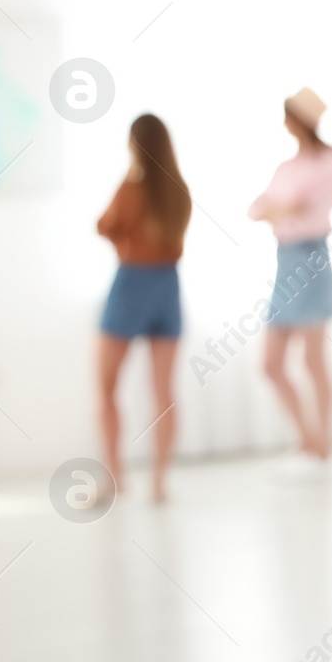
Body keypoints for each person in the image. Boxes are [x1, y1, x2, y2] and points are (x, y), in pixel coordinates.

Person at [247, 87, 332, 474]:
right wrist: (283, 207)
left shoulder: (329, 161)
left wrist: (280, 207)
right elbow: (256, 209)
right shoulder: (286, 168)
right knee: (271, 364)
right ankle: (309, 441)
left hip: (311, 258)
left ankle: (322, 446)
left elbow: (308, 206)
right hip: (284, 261)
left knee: (312, 359)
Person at [96, 113, 192, 503]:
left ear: (135, 144)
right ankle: (159, 482)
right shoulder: (179, 190)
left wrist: (125, 239)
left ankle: (117, 478)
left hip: (132, 283)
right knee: (164, 392)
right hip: (168, 285)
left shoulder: (131, 186)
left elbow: (104, 225)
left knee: (105, 387)